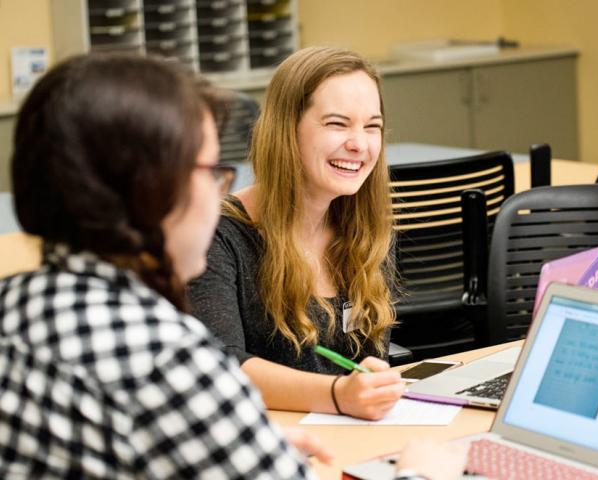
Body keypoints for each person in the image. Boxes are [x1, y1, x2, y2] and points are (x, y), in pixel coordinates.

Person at [0, 52, 468, 479]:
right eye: (209, 172)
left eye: (373, 126)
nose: (219, 192)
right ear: (149, 192)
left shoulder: (14, 306)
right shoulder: (170, 359)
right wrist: (420, 474)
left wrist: (220, 438)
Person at [187, 46, 405, 420]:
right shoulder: (219, 236)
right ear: (286, 130)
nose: (359, 143)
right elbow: (220, 366)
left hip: (354, 434)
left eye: (372, 126)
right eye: (337, 123)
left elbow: (371, 358)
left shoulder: (365, 229)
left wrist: (372, 387)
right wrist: (339, 395)